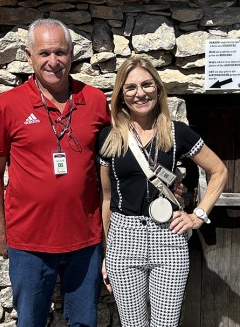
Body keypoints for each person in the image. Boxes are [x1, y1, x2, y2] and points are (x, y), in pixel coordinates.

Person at [0, 18, 111, 327]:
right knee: (30, 322)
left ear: (71, 54)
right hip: (28, 242)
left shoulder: (93, 101)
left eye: (60, 52)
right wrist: (0, 233)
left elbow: (113, 163)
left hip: (85, 240)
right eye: (44, 53)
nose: (53, 61)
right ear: (29, 56)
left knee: (84, 323)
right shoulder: (6, 105)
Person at [97, 56, 228, 326]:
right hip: (124, 238)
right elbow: (107, 198)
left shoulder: (178, 133)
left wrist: (197, 216)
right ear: (121, 95)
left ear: (158, 88)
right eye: (130, 87)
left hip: (168, 236)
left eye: (147, 85)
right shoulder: (109, 137)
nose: (140, 93)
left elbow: (219, 171)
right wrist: (107, 253)